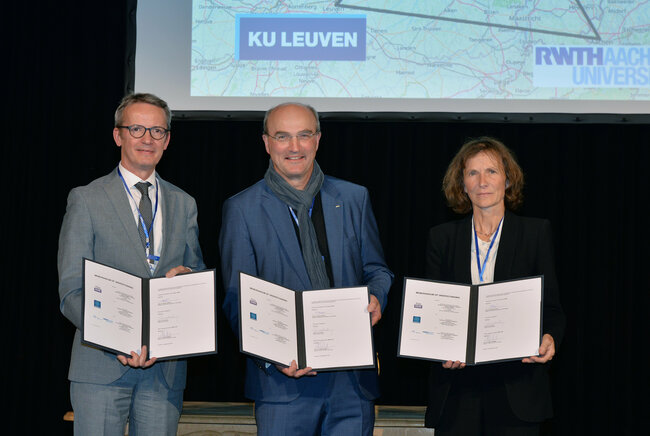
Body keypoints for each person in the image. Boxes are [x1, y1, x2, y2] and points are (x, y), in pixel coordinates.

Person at [219, 102, 394, 435]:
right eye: (283, 136)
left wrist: (376, 296)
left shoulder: (354, 198)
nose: (294, 147)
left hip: (351, 382)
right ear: (266, 143)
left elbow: (377, 270)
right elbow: (236, 299)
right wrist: (272, 356)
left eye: (304, 135)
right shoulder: (241, 209)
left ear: (317, 139)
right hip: (282, 385)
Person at [57, 93, 205, 435]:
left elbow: (194, 271)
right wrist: (116, 339)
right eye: (136, 128)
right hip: (101, 367)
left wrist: (189, 281)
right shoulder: (86, 199)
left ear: (167, 140)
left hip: (164, 370)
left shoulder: (184, 203)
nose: (147, 139)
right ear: (117, 135)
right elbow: (71, 290)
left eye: (157, 131)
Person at [424, 137, 566, 435]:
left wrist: (549, 338)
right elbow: (433, 314)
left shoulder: (535, 233)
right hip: (457, 391)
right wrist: (439, 347)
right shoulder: (442, 238)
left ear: (508, 180)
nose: (482, 181)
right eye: (472, 173)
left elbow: (551, 308)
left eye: (491, 171)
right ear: (462, 184)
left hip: (517, 389)